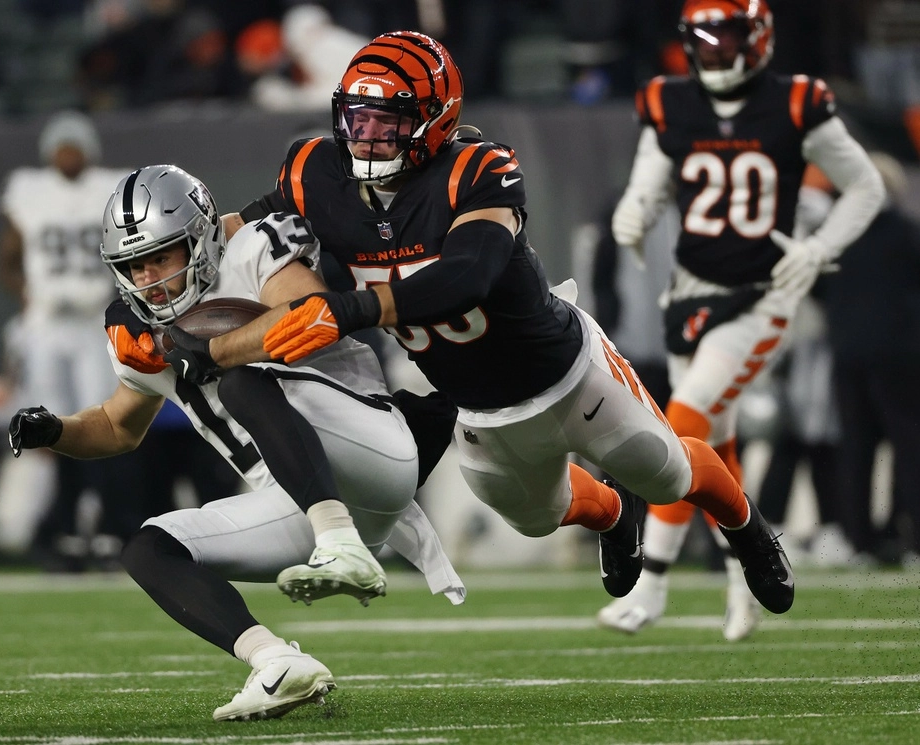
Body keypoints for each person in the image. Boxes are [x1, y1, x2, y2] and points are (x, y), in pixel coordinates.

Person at [186, 31, 794, 620]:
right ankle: (613, 514)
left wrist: (349, 309)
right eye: (357, 119)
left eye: (387, 123)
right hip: (478, 408)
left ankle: (747, 528)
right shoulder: (314, 172)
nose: (367, 138)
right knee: (536, 519)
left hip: (567, 373)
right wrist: (155, 291)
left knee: (667, 473)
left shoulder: (475, 170)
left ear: (434, 120)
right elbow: (237, 236)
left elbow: (466, 277)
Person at [9, 164, 464, 721]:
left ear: (200, 239)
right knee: (149, 549)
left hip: (370, 445)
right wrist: (55, 430)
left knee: (241, 381)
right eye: (135, 265)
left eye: (162, 257)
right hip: (296, 496)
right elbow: (117, 426)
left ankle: (339, 540)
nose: (149, 278)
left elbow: (310, 312)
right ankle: (275, 661)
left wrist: (217, 349)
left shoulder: (251, 250)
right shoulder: (142, 335)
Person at [599, 0, 884, 640]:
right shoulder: (670, 101)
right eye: (702, 40)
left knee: (684, 420)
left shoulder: (795, 102)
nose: (713, 51)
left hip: (762, 293)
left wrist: (819, 247)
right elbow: (649, 182)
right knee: (714, 448)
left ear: (756, 39)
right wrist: (634, 211)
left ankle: (653, 582)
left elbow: (866, 186)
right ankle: (742, 578)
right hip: (690, 290)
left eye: (724, 38)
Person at [0, 110, 141, 570]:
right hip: (47, 325)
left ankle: (109, 527)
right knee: (52, 427)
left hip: (94, 322)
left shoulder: (109, 188)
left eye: (75, 147)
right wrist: (27, 295)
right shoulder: (29, 190)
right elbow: (8, 257)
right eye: (61, 147)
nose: (68, 154)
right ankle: (65, 529)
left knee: (102, 424)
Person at [824, 152, 920, 568]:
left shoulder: (838, 235)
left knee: (856, 449)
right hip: (900, 355)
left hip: (848, 352)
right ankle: (910, 537)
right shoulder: (906, 233)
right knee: (909, 446)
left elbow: (819, 289)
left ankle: (859, 540)